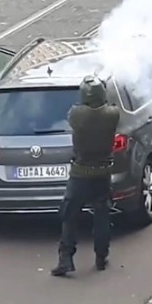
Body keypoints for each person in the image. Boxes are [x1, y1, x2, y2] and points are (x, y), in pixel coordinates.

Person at [50, 74, 120, 277]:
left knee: (69, 216)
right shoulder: (112, 115)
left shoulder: (77, 115)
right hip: (103, 172)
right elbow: (110, 105)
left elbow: (76, 111)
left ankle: (66, 258)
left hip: (80, 173)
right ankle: (101, 256)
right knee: (102, 215)